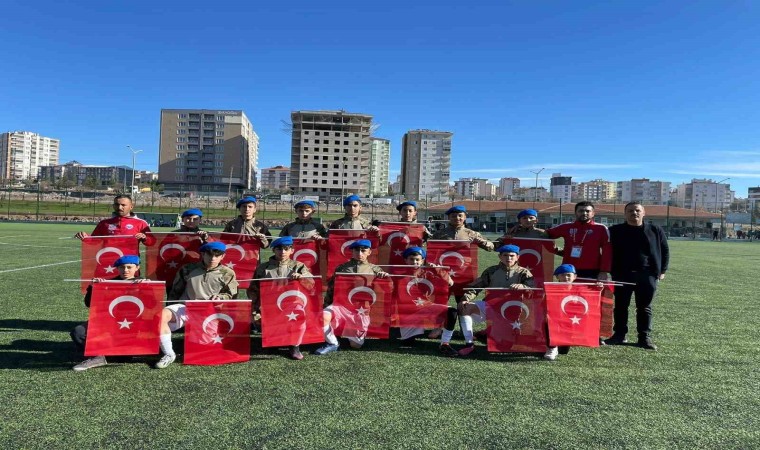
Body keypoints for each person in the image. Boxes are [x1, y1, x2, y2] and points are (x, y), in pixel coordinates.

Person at [155, 242, 239, 368]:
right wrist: (171, 307)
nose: (213, 258)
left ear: (223, 256)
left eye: (217, 255)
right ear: (202, 254)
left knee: (205, 350)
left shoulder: (228, 273)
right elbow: (175, 291)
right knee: (161, 316)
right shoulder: (187, 269)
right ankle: (169, 354)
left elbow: (231, 294)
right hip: (186, 307)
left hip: (210, 312)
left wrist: (221, 297)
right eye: (209, 255)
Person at [605, 202, 669, 350]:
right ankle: (619, 335)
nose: (634, 213)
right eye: (630, 211)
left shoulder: (655, 230)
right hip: (622, 274)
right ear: (625, 214)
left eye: (637, 210)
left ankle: (644, 337)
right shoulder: (615, 230)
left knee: (644, 307)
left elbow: (665, 250)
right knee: (621, 306)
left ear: (643, 212)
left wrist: (662, 270)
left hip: (647, 275)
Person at [313, 239, 389, 355]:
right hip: (341, 306)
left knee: (356, 345)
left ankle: (355, 331)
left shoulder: (375, 269)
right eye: (356, 250)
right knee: (323, 316)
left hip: (361, 310)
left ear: (369, 252)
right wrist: (327, 305)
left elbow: (384, 291)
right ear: (352, 252)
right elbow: (331, 288)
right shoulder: (342, 268)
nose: (359, 254)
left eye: (363, 251)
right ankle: (333, 343)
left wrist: (385, 278)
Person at [457, 244, 534, 356]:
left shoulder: (524, 273)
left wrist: (524, 287)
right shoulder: (491, 271)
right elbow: (477, 286)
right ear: (500, 257)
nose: (509, 258)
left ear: (517, 257)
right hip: (491, 306)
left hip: (514, 312)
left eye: (512, 256)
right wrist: (466, 299)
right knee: (464, 308)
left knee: (505, 344)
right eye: (505, 255)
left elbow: (533, 292)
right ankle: (469, 344)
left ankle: (488, 333)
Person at [71, 255, 143, 371]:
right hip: (108, 320)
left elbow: (152, 305)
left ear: (137, 268)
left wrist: (148, 287)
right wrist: (94, 288)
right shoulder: (109, 282)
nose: (125, 270)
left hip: (131, 323)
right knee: (78, 332)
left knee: (124, 358)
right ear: (117, 269)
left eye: (129, 267)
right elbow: (89, 304)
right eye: (122, 267)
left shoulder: (144, 283)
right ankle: (97, 356)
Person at [247, 236, 313, 360]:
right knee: (260, 324)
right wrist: (255, 309)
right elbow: (253, 290)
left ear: (292, 250)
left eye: (286, 249)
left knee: (297, 316)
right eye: (279, 249)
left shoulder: (299, 266)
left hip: (292, 305)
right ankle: (275, 339)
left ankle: (294, 345)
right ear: (273, 250)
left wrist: (302, 277)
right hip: (269, 306)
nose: (282, 252)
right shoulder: (263, 268)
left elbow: (312, 285)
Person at [396, 246, 460, 357]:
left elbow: (451, 283)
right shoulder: (398, 273)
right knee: (407, 342)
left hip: (426, 307)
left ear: (423, 260)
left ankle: (445, 343)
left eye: (418, 259)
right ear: (405, 260)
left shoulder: (429, 272)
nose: (415, 262)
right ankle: (413, 330)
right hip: (409, 311)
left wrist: (438, 270)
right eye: (411, 259)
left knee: (452, 312)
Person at [547, 201, 612, 281]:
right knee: (568, 293)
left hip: (592, 270)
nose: (584, 213)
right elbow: (545, 235)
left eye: (587, 211)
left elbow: (607, 251)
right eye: (581, 211)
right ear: (575, 213)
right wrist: (556, 250)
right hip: (568, 270)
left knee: (588, 293)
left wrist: (604, 271)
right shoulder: (566, 227)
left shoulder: (601, 228)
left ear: (593, 213)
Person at [74, 194, 150, 241]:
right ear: (113, 206)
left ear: (131, 207)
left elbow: (152, 242)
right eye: (117, 205)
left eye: (123, 205)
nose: (120, 207)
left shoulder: (141, 223)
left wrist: (145, 238)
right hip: (108, 262)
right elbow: (94, 241)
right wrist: (85, 236)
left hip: (129, 264)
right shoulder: (104, 223)